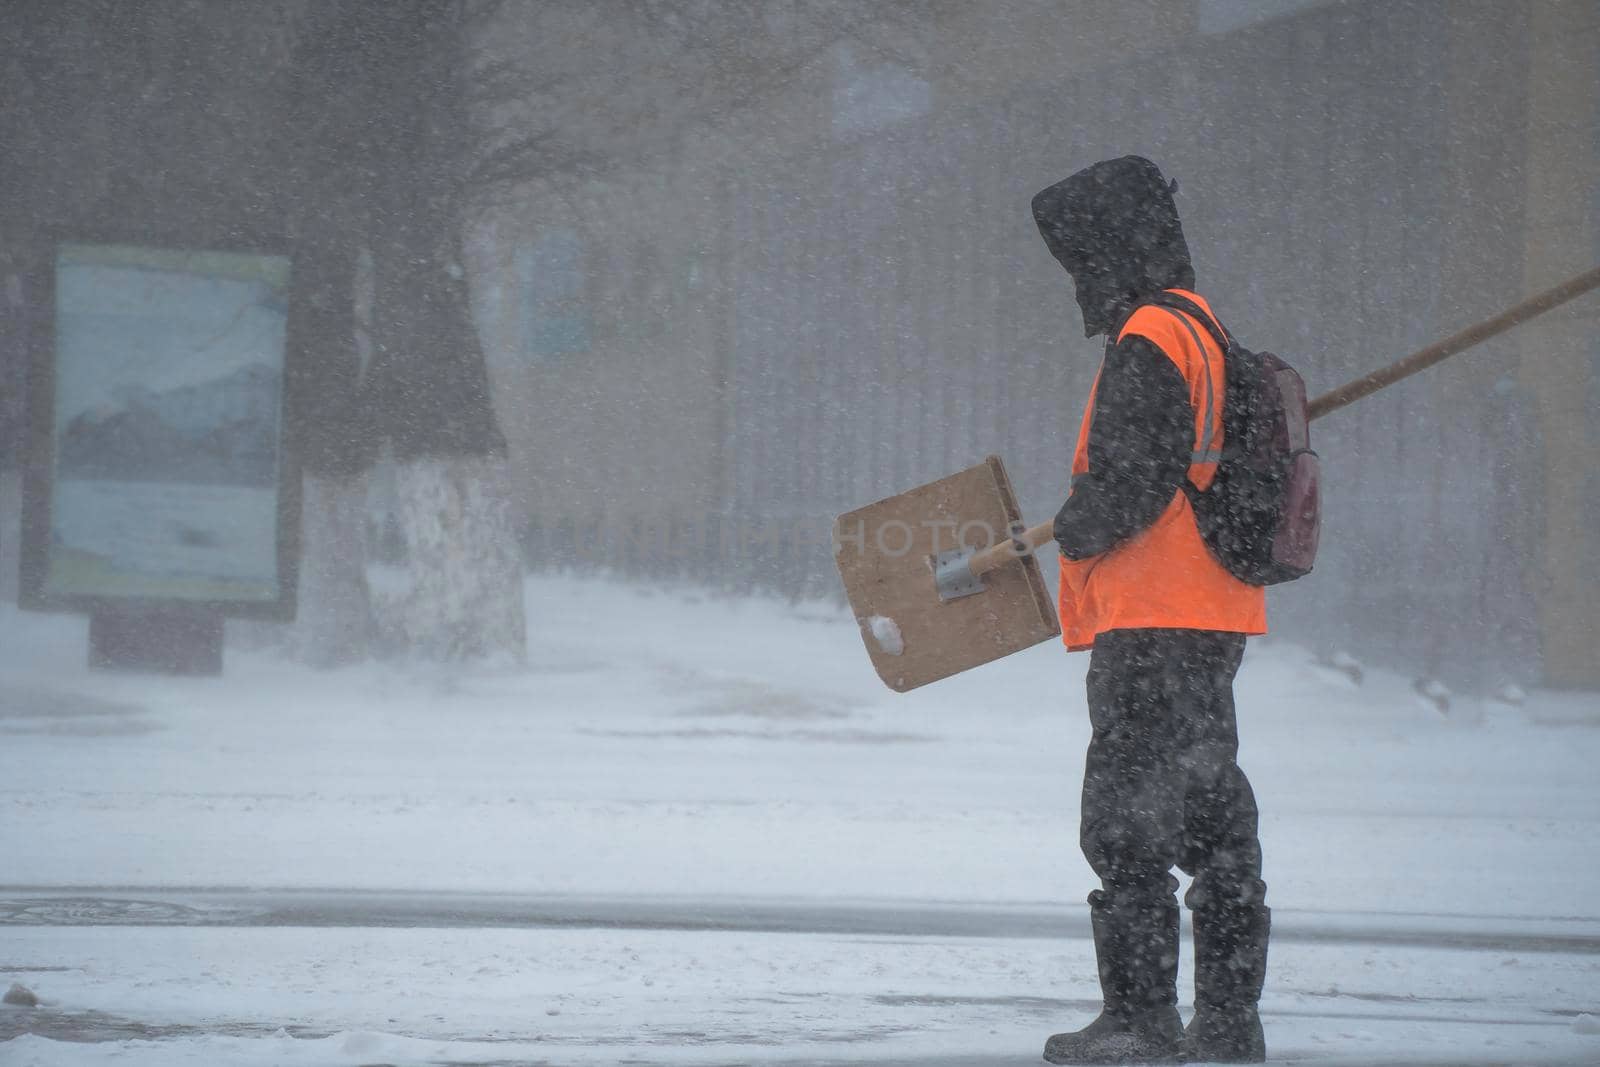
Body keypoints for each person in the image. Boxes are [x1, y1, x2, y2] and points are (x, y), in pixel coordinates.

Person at [1029, 156, 1272, 1065]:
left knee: (1127, 818)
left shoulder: (1148, 338)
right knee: (1213, 809)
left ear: (1109, 247)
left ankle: (1140, 1017)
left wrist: (1074, 528)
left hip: (1149, 613)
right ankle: (1228, 1019)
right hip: (1209, 610)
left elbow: (1131, 477)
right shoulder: (1203, 328)